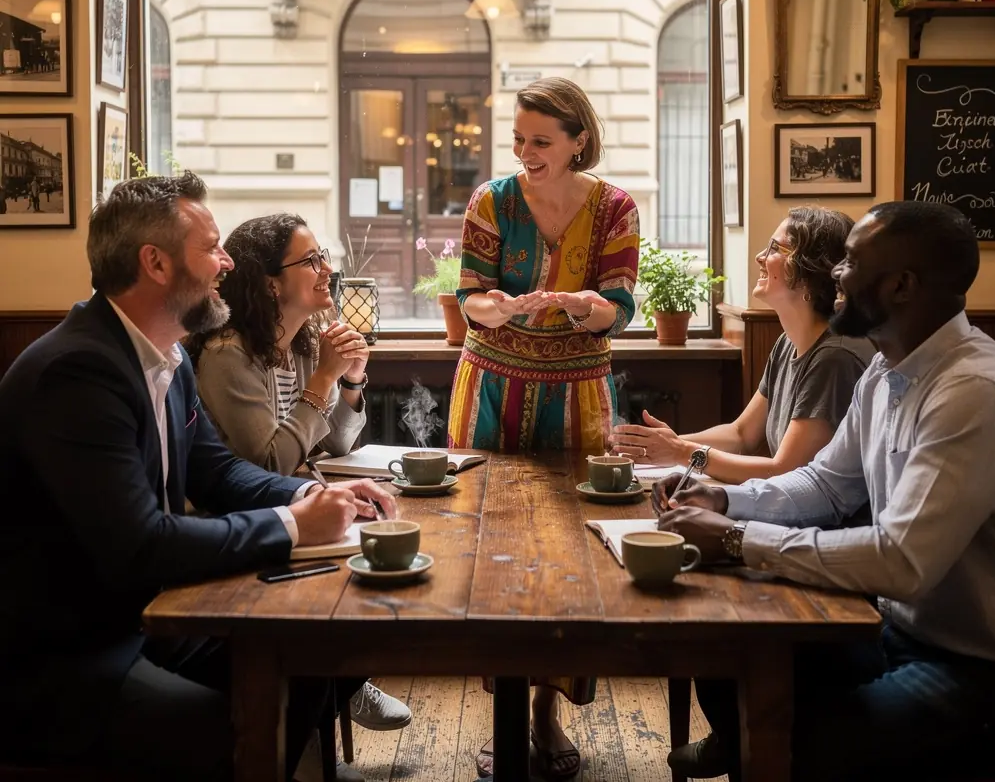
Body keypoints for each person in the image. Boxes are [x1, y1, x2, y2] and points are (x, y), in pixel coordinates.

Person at [0, 172, 397, 782]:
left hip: (151, 614)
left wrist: (314, 492)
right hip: (69, 649)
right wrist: (295, 524)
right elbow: (141, 543)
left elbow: (217, 471)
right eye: (211, 247)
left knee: (315, 658)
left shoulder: (169, 352)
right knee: (219, 727)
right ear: (155, 263)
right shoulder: (76, 372)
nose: (227, 261)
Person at [653, 201, 995, 782]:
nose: (836, 276)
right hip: (893, 628)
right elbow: (824, 483)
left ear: (902, 285)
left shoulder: (975, 391)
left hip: (979, 665)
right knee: (729, 649)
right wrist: (723, 499)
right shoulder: (885, 372)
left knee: (807, 745)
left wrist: (737, 537)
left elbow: (902, 560)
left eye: (851, 263)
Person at [447, 76, 640, 780]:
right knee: (489, 547)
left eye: (541, 141)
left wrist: (586, 304)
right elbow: (470, 293)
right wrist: (488, 308)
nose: (526, 153)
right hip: (492, 384)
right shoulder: (490, 200)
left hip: (578, 391)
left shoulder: (616, 206)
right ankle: (502, 714)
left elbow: (620, 307)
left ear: (578, 140)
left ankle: (546, 712)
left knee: (570, 554)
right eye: (519, 140)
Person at [188, 213, 412, 766]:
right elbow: (267, 462)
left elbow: (335, 444)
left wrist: (351, 378)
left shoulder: (306, 340)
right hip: (245, 514)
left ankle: (334, 692)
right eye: (310, 260)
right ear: (270, 282)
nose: (325, 269)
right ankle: (333, 693)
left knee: (391, 565)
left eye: (323, 257)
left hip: (301, 500)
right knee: (364, 588)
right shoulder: (227, 355)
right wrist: (321, 382)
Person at [609, 207, 875, 483]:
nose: (760, 256)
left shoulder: (834, 358)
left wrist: (681, 451)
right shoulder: (787, 343)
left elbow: (786, 471)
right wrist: (665, 444)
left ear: (808, 271)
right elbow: (741, 435)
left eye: (775, 248)